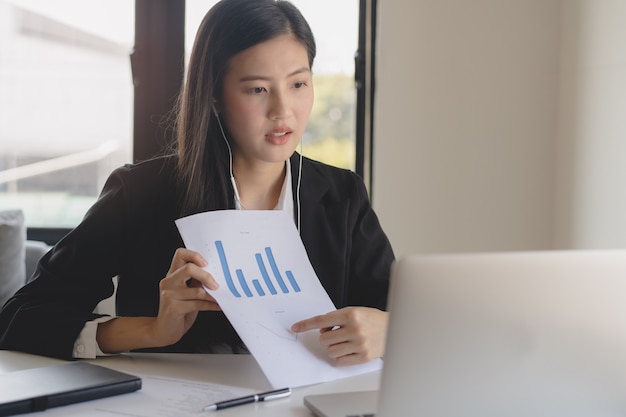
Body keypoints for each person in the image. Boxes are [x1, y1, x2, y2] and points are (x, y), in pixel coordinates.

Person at [0, 0, 394, 367]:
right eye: (258, 89)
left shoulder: (343, 196)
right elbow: (20, 318)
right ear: (215, 97)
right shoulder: (141, 192)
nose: (282, 111)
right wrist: (151, 329)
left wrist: (387, 330)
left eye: (298, 84)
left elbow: (405, 315)